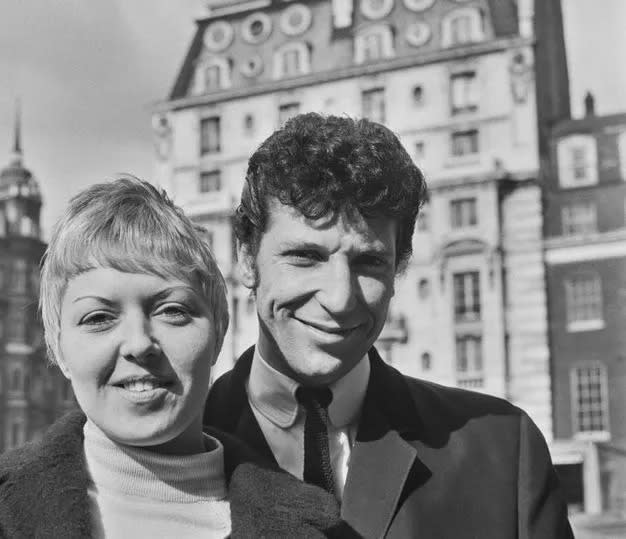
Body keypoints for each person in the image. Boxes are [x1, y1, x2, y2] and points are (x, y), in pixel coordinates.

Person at [0, 176, 352, 538]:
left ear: (220, 331)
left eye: (172, 311)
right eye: (98, 318)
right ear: (57, 348)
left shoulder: (318, 526)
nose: (138, 343)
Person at [203, 113, 574, 538]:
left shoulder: (505, 450)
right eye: (305, 257)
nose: (340, 299)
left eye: (369, 262)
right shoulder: (168, 451)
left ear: (398, 268)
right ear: (247, 260)